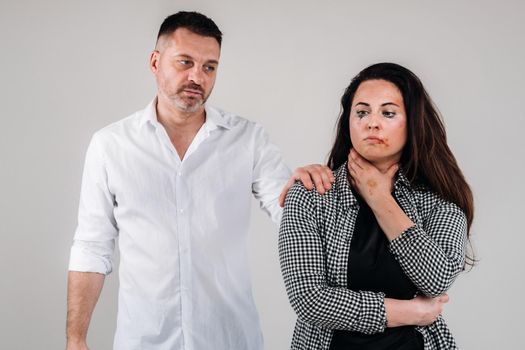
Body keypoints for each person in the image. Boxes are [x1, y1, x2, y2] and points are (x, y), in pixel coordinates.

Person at [66, 11, 334, 350]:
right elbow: (92, 245)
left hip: (230, 339)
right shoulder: (111, 145)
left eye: (209, 66)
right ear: (155, 62)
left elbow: (289, 213)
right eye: (185, 62)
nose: (197, 76)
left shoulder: (248, 139)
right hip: (144, 341)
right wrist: (76, 339)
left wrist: (305, 188)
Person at [279, 62, 474, 350]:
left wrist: (379, 198)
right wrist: (408, 312)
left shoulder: (437, 202)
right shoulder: (311, 195)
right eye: (362, 112)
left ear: (412, 122)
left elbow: (437, 279)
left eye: (388, 112)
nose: (372, 122)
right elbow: (309, 300)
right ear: (349, 121)